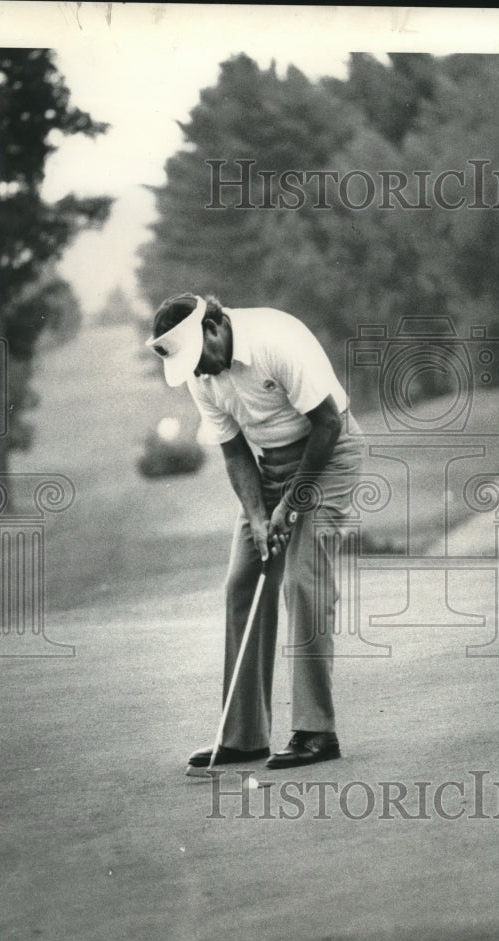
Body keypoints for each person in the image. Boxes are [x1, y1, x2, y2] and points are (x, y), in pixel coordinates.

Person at [146, 293, 363, 769]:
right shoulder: (201, 376)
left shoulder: (274, 340)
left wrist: (290, 504)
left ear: (213, 327)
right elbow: (234, 451)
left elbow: (328, 424)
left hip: (328, 456)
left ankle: (316, 731)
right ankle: (244, 735)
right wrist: (260, 517)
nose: (199, 371)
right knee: (243, 581)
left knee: (303, 582)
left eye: (198, 357)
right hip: (270, 467)